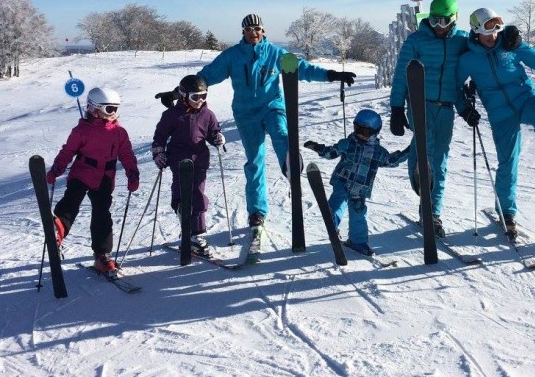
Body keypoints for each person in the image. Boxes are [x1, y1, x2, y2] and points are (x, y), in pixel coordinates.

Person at [198, 13, 356, 227]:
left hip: (272, 107)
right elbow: (208, 75)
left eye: (257, 29)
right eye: (248, 30)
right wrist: (182, 89)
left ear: (263, 30)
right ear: (243, 32)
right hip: (245, 114)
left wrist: (331, 75)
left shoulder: (275, 53)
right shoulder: (232, 56)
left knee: (281, 133)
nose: (253, 33)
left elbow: (303, 69)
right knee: (254, 162)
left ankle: (289, 162)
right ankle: (257, 211)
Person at [456, 8, 535, 234]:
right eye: (488, 29)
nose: (494, 35)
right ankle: (506, 211)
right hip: (499, 113)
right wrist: (464, 108)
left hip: (526, 98)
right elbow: (453, 85)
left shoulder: (511, 45)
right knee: (508, 161)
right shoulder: (468, 59)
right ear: (476, 29)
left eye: (497, 28)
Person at [388, 0, 469, 238]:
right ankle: (421, 182)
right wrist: (396, 108)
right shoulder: (416, 41)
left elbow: (483, 51)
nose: (439, 26)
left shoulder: (462, 40)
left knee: (440, 160)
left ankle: (432, 212)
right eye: (434, 20)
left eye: (444, 21)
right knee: (426, 148)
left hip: (446, 106)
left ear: (454, 19)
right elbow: (402, 74)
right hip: (419, 103)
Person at [46, 87, 140, 273]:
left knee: (102, 213)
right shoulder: (81, 130)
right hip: (82, 171)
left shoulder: (119, 132)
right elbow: (68, 152)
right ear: (93, 108)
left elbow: (127, 155)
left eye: (116, 109)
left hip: (105, 177)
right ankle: (58, 229)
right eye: (109, 109)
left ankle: (102, 255)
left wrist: (132, 172)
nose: (114, 114)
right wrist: (57, 169)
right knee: (72, 199)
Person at [303, 109, 410, 255]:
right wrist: (317, 147)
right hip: (342, 181)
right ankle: (332, 223)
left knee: (358, 214)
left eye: (364, 131)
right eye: (357, 128)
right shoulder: (348, 144)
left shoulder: (378, 152)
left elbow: (392, 161)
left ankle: (358, 241)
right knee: (337, 202)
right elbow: (331, 152)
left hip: (360, 189)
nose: (359, 133)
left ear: (374, 132)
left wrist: (409, 151)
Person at [151, 75, 225, 258]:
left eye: (204, 96)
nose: (200, 101)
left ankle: (196, 235)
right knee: (182, 193)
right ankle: (182, 211)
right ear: (183, 95)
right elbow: (159, 137)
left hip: (199, 159)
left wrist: (218, 138)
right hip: (178, 160)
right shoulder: (171, 115)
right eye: (195, 97)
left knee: (198, 195)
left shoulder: (208, 114)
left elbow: (213, 132)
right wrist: (159, 153)